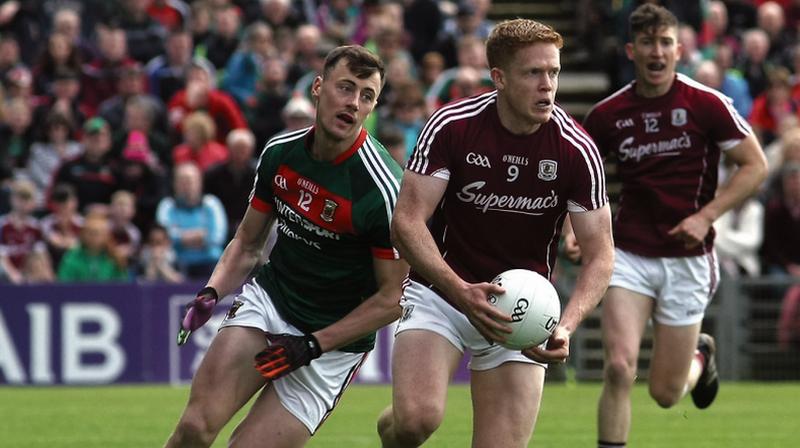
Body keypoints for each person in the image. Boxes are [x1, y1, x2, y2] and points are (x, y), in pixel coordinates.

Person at [377, 19, 614, 448]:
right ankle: (392, 428)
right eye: (533, 73)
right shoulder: (451, 126)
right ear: (499, 78)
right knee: (415, 421)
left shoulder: (577, 149)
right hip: (442, 292)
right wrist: (460, 291)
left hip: (521, 311)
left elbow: (601, 255)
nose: (548, 85)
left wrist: (566, 325)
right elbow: (406, 223)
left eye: (554, 73)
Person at [164, 45, 407, 447]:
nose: (354, 103)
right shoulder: (280, 153)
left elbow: (393, 298)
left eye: (367, 96)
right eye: (346, 87)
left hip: (331, 346)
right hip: (272, 303)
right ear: (318, 87)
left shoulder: (381, 190)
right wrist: (212, 290)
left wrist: (313, 344)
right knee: (193, 429)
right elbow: (247, 242)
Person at [577, 5, 768, 448]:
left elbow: (754, 166)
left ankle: (699, 356)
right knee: (619, 367)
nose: (656, 51)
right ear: (631, 50)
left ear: (680, 49)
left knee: (665, 394)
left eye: (665, 42)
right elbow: (581, 179)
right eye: (647, 42)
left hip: (688, 258)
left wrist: (706, 216)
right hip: (627, 253)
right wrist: (574, 231)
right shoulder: (607, 115)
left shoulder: (706, 104)